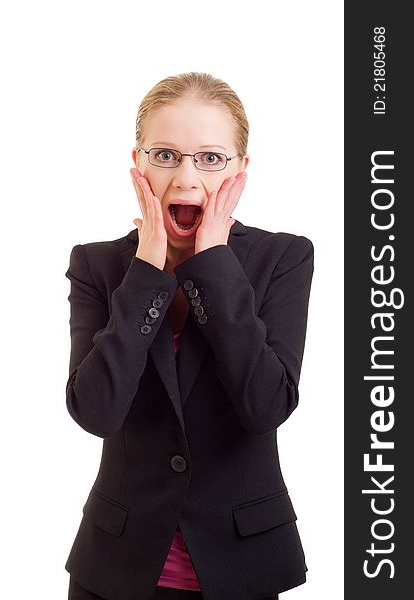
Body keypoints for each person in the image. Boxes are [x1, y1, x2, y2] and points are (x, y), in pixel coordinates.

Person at [64, 72, 314, 600]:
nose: (185, 179)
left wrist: (213, 263)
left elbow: (266, 404)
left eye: (210, 157)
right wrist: (148, 271)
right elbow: (96, 412)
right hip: (115, 573)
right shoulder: (98, 265)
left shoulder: (284, 258)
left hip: (241, 568)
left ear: (240, 169)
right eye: (165, 155)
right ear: (138, 164)